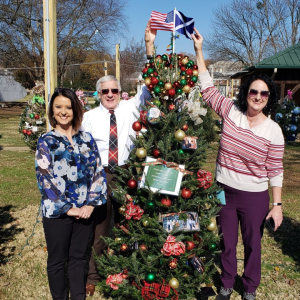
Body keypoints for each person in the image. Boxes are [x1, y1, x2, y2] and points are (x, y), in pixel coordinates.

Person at [191, 28, 284, 300]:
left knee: (253, 243)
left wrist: (276, 206)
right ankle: (227, 282)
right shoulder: (231, 112)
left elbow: (276, 171)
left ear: (270, 97)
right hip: (224, 191)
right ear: (246, 92)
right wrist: (199, 50)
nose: (257, 96)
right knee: (226, 242)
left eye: (264, 94)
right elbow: (207, 89)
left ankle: (250, 287)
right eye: (253, 91)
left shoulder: (273, 130)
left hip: (254, 195)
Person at [81, 19, 156, 297]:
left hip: (127, 174)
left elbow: (149, 85)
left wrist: (150, 47)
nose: (110, 95)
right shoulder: (88, 118)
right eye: (105, 91)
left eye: (114, 90)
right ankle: (93, 274)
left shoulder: (130, 108)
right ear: (98, 94)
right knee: (99, 229)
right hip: (100, 175)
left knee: (128, 225)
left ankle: (126, 271)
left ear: (119, 92)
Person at [35, 88, 107, 300]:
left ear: (75, 110)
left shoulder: (87, 139)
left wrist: (91, 205)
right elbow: (44, 179)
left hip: (85, 211)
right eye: (58, 107)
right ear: (52, 110)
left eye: (68, 107)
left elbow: (97, 172)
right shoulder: (46, 140)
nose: (63, 112)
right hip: (58, 213)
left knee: (79, 258)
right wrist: (69, 209)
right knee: (57, 260)